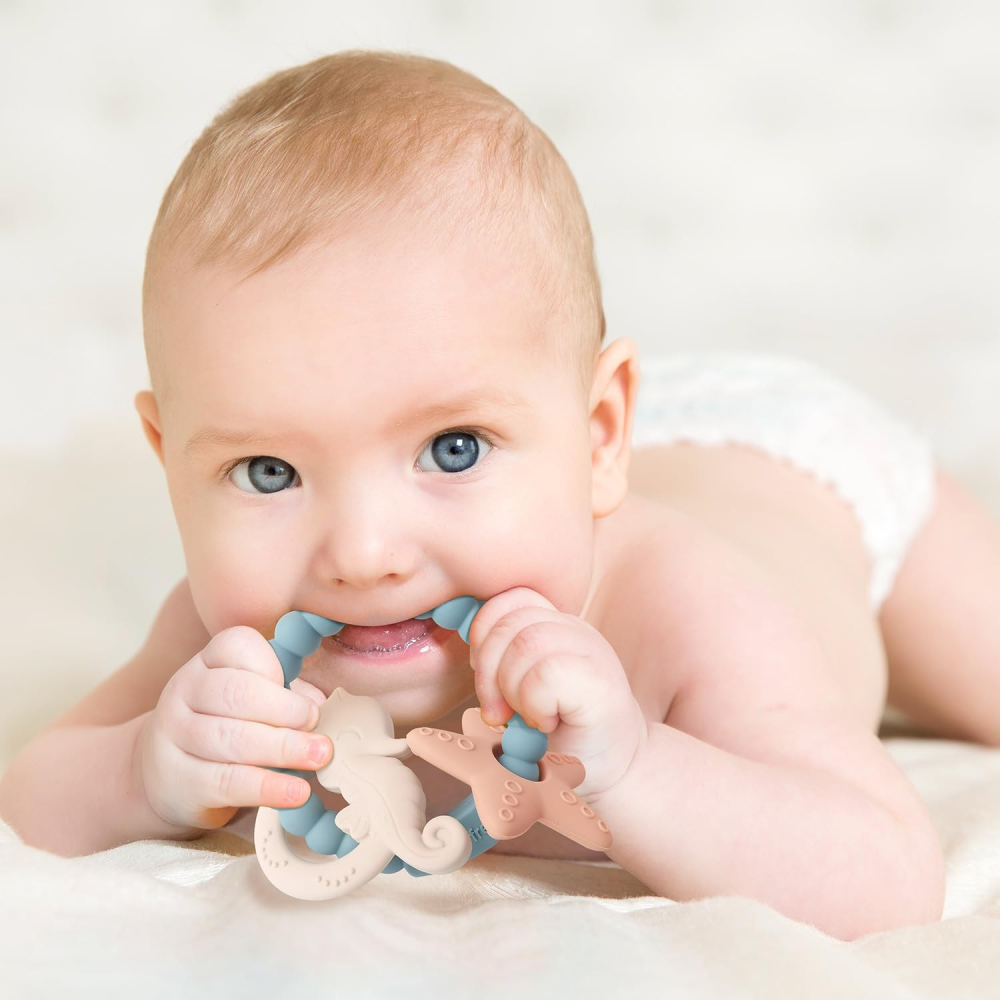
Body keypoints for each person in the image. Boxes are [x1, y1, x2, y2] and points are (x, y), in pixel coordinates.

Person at [4, 48, 998, 942]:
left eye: (452, 448)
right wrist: (141, 769)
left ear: (600, 434)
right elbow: (25, 803)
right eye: (271, 472)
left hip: (801, 475)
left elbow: (886, 877)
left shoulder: (682, 608)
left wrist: (637, 766)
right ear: (168, 457)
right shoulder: (235, 643)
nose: (362, 549)